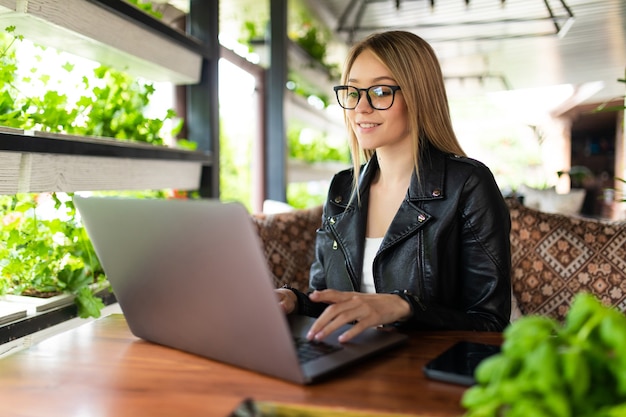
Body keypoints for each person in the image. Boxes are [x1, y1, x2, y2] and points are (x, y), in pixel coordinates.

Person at [276, 30, 511, 343]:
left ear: (418, 96)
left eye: (381, 91)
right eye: (353, 92)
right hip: (347, 364)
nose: (361, 107)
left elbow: (490, 323)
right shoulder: (342, 189)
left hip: (424, 375)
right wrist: (295, 301)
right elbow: (329, 305)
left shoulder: (468, 185)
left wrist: (405, 308)